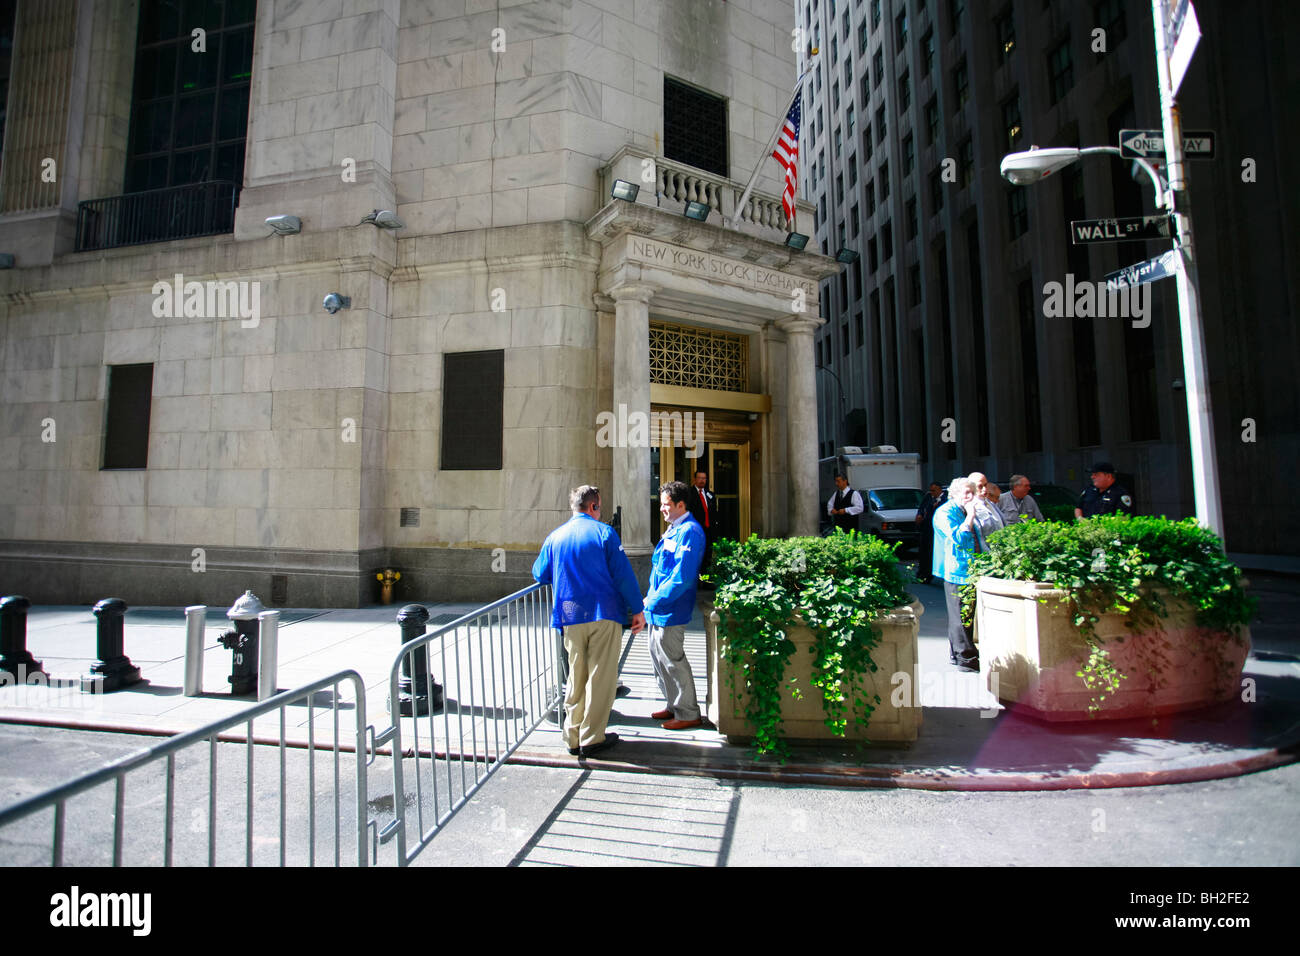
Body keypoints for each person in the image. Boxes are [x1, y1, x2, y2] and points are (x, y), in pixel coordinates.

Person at [532, 485, 646, 758]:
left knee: (576, 675)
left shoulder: (555, 536)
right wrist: (638, 610)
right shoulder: (605, 533)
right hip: (603, 613)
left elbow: (539, 573)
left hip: (570, 614)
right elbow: (624, 575)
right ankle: (592, 737)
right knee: (601, 677)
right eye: (600, 506)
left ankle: (572, 735)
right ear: (593, 506)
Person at [645, 480, 707, 730]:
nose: (661, 509)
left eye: (666, 505)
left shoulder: (690, 531)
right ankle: (673, 705)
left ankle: (688, 712)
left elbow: (681, 577)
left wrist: (653, 600)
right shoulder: (675, 528)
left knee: (673, 660)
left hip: (671, 608)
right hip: (659, 608)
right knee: (659, 659)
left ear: (681, 505)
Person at [933, 476, 981, 671]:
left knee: (964, 614)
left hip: (968, 568)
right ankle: (965, 658)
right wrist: (970, 516)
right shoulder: (945, 512)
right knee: (960, 616)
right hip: (956, 570)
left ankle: (959, 653)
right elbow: (958, 538)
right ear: (954, 494)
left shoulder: (962, 510)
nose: (970, 497)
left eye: (972, 492)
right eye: (966, 493)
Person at [685, 469, 717, 573]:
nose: (702, 480)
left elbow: (714, 513)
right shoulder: (688, 494)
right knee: (695, 554)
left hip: (709, 530)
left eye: (704, 478)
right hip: (695, 530)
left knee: (707, 554)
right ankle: (696, 580)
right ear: (695, 479)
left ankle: (705, 578)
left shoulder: (710, 494)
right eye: (699, 478)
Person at [914, 481, 947, 583]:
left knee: (931, 553)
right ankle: (921, 573)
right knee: (923, 552)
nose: (932, 492)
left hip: (935, 530)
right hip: (926, 528)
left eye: (934, 490)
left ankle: (928, 575)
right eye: (931, 490)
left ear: (940, 490)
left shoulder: (945, 499)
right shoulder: (928, 497)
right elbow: (922, 507)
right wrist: (919, 515)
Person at [968, 471, 1006, 538]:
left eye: (985, 485)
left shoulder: (990, 503)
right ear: (971, 487)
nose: (984, 489)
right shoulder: (970, 507)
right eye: (980, 486)